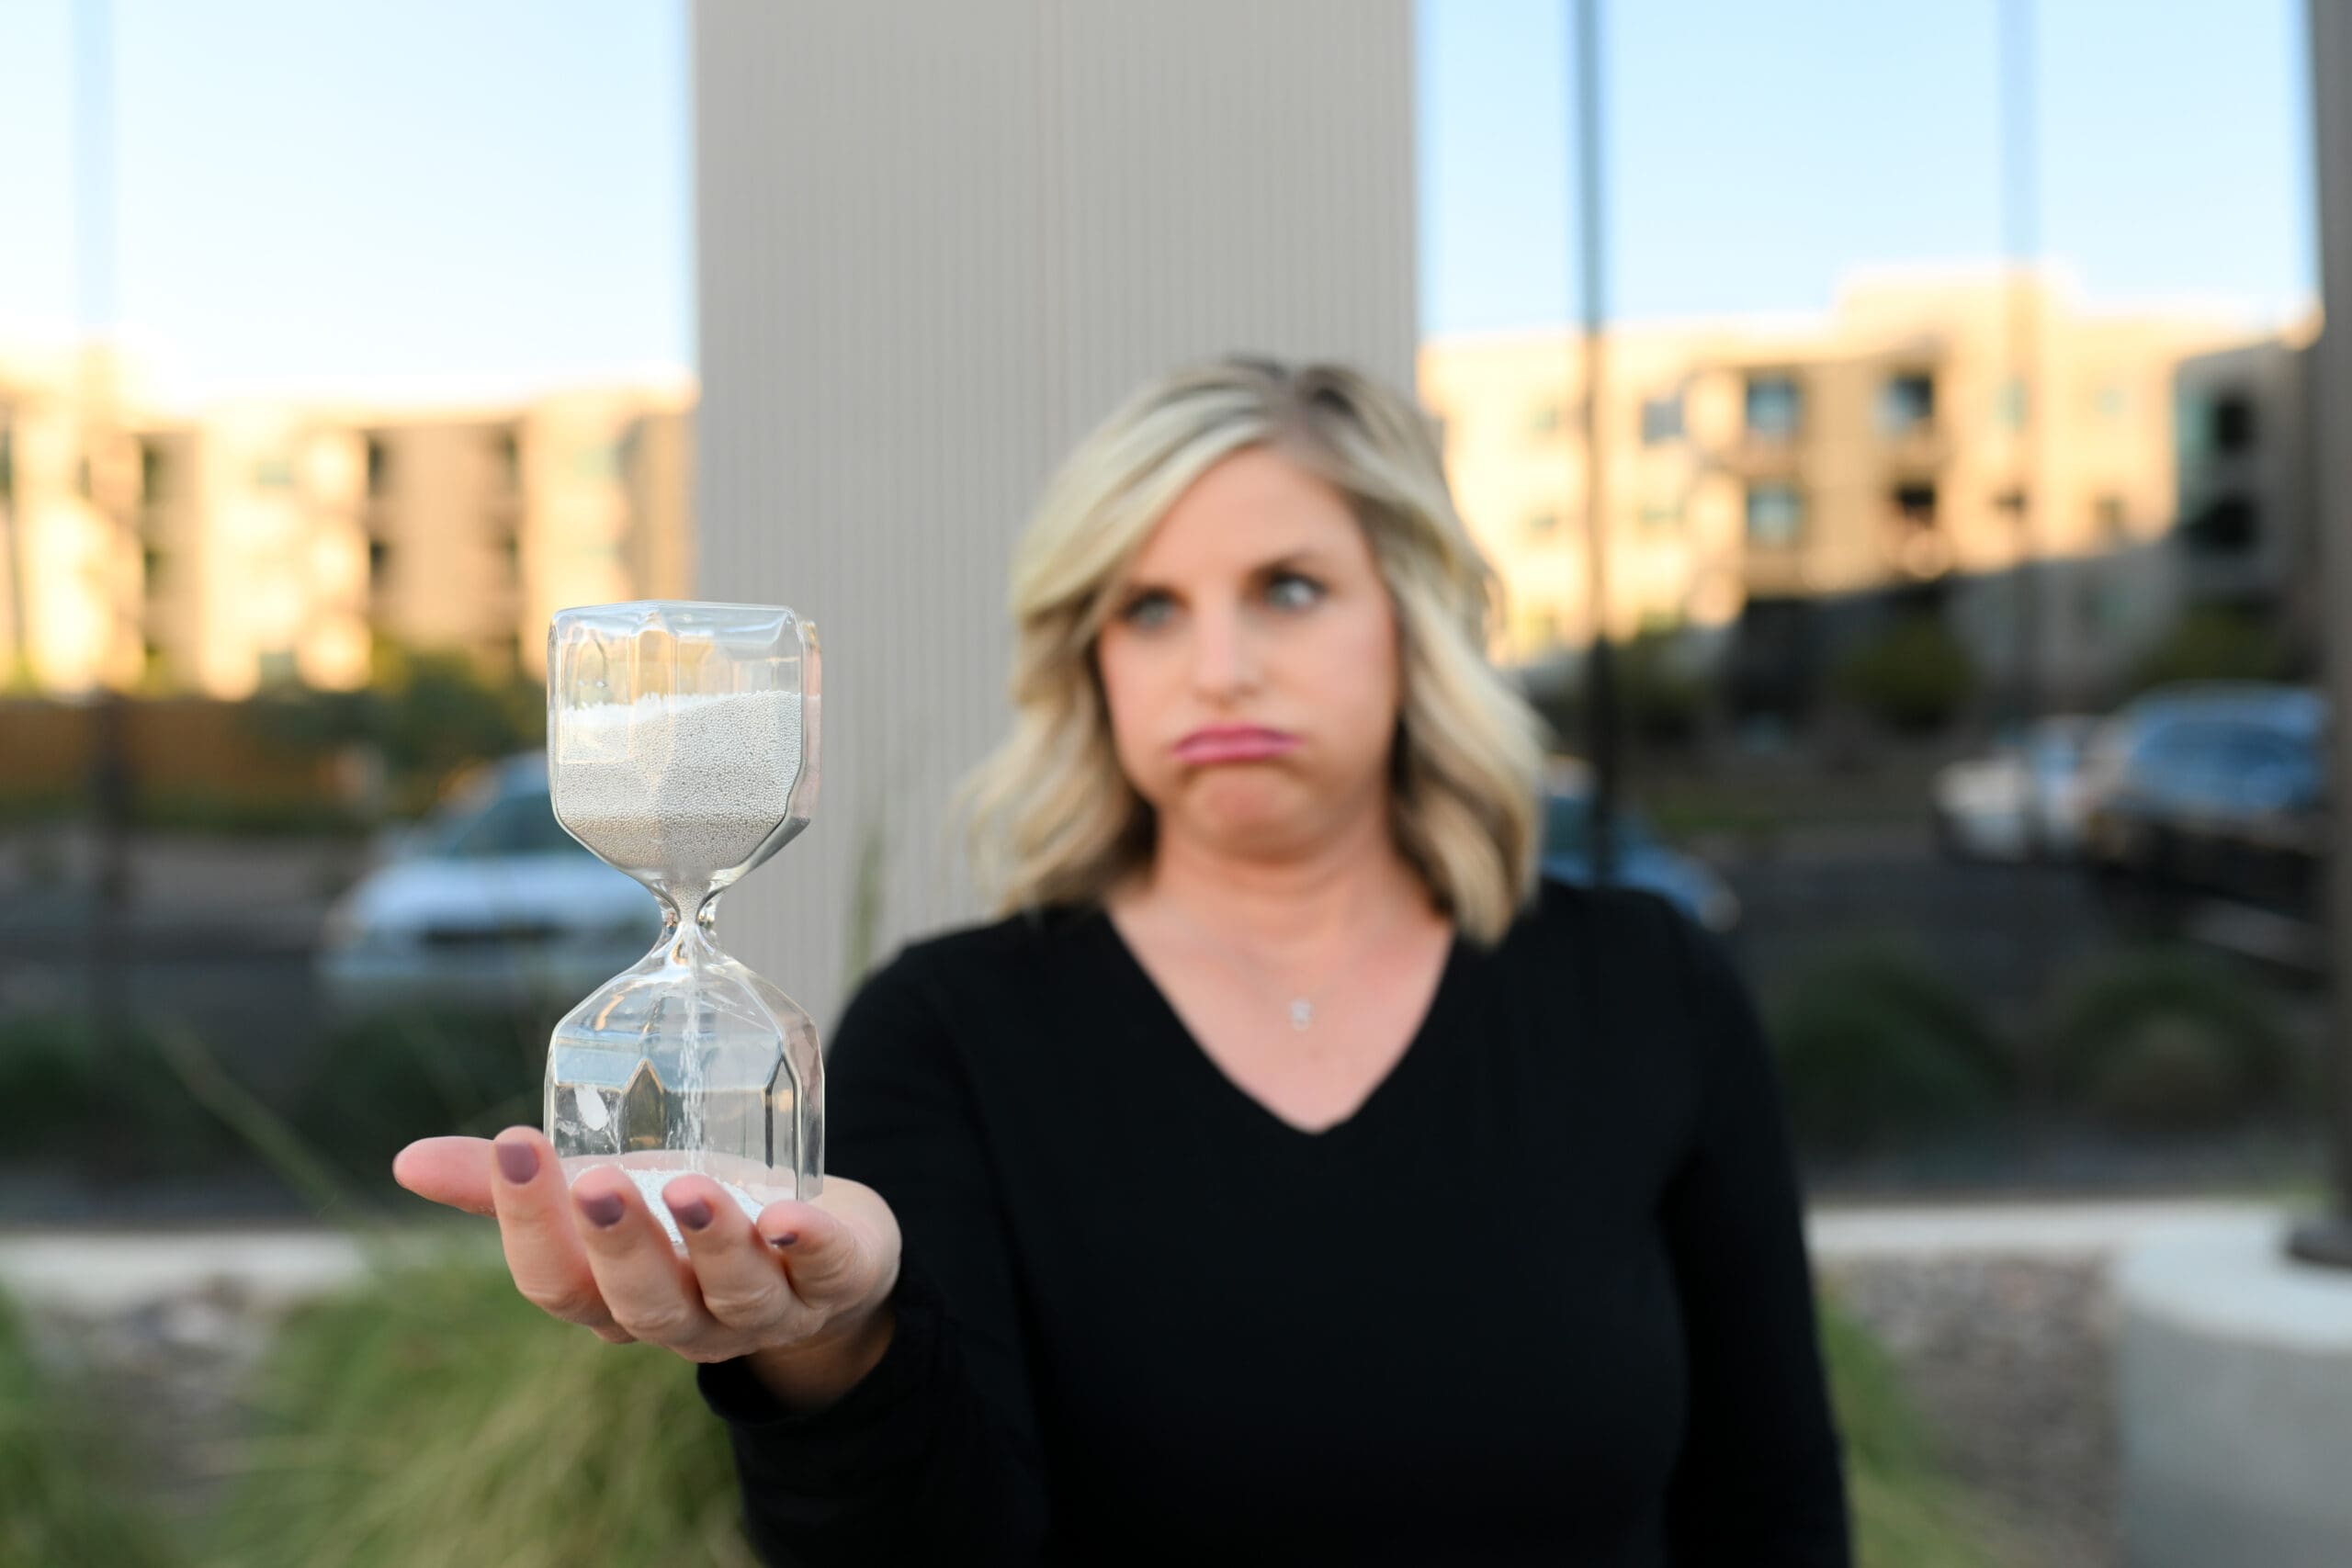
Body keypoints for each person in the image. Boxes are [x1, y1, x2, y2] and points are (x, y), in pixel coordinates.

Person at [395, 356, 1852, 1566]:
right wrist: (832, 1352)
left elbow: (1774, 1500)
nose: (1217, 665)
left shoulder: (1644, 989)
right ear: (1089, 660)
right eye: (1148, 609)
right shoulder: (954, 1028)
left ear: (1413, 621)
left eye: (1287, 587)